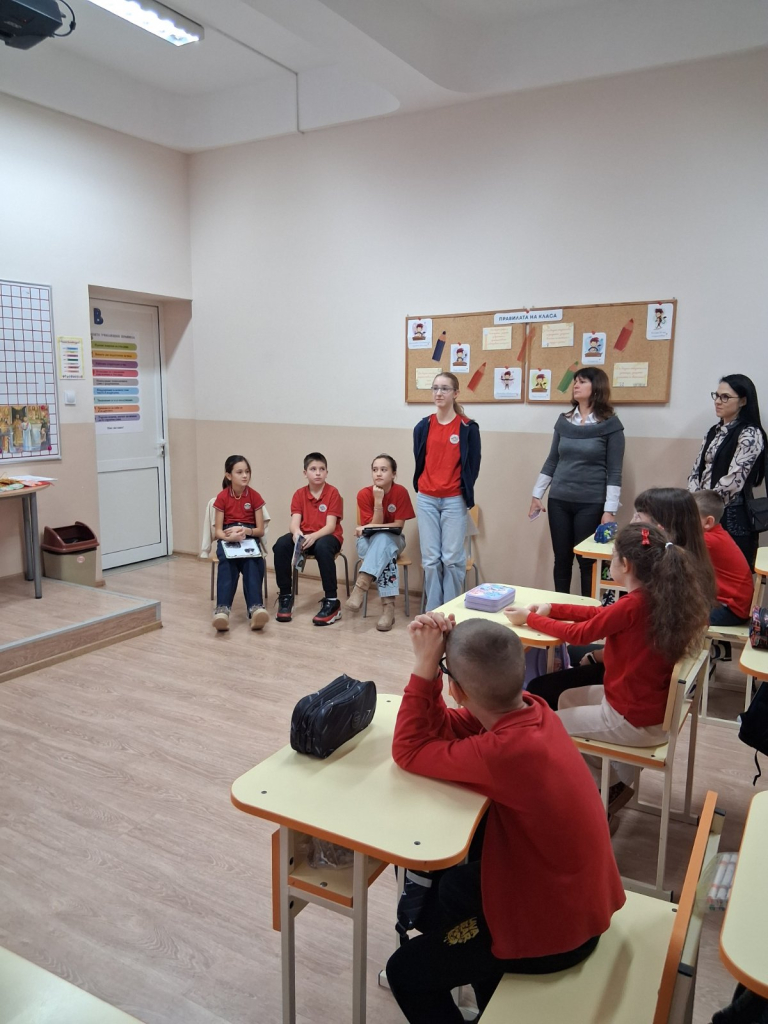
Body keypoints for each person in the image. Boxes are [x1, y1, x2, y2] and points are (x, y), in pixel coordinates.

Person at [385, 613, 625, 1022]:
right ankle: (489, 997)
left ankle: (493, 975)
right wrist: (441, 668)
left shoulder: (505, 752)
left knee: (405, 972)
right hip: (579, 899)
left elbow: (408, 750)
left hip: (561, 932)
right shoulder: (532, 708)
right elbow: (442, 730)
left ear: (457, 690)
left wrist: (425, 666)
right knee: (455, 889)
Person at [514, 523, 711, 816]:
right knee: (566, 699)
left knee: (547, 726)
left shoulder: (634, 605)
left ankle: (593, 794)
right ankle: (608, 785)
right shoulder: (655, 596)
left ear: (626, 564)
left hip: (632, 720)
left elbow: (580, 634)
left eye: (613, 557)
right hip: (645, 709)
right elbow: (600, 614)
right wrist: (552, 608)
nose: (610, 562)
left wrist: (530, 620)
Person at [529, 367, 625, 596]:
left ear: (596, 387)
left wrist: (609, 510)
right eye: (575, 381)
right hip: (559, 500)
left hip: (591, 503)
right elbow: (552, 460)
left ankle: (588, 611)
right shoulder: (564, 421)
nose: (576, 385)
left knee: (587, 561)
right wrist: (536, 495)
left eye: (582, 381)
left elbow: (614, 471)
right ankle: (559, 607)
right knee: (562, 559)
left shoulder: (611, 425)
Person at [413, 372, 481, 611]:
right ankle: (433, 612)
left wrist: (460, 489)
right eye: (435, 388)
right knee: (431, 560)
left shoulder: (467, 427)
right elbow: (420, 459)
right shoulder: (423, 426)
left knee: (452, 560)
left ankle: (450, 611)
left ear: (456, 393)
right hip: (427, 499)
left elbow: (473, 466)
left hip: (454, 500)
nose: (439, 393)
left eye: (444, 388)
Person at [688, 374, 767, 569]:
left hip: (732, 515)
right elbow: (697, 470)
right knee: (700, 571)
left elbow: (734, 480)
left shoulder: (750, 433)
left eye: (725, 397)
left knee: (727, 572)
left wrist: (705, 507)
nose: (717, 401)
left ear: (743, 401)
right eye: (716, 395)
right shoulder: (713, 431)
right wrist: (693, 502)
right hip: (702, 512)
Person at [272, 452, 344, 626]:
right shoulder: (299, 494)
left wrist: (313, 536)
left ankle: (332, 601)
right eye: (313, 469)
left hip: (327, 538)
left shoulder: (333, 493)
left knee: (322, 547)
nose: (318, 473)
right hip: (305, 538)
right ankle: (285, 596)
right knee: (281, 544)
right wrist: (297, 534)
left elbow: (330, 526)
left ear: (327, 472)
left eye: (322, 469)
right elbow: (294, 523)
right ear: (305, 473)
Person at [346, 453, 415, 631]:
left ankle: (360, 587)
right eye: (375, 469)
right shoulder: (364, 494)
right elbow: (373, 527)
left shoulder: (400, 492)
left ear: (393, 474)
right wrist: (378, 501)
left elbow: (398, 525)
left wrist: (370, 527)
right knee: (385, 552)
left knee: (383, 539)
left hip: (395, 540)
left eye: (384, 470)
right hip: (367, 542)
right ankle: (388, 611)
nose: (378, 473)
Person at [211, 455, 269, 632]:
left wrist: (246, 531)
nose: (245, 475)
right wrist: (229, 538)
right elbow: (218, 531)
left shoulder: (254, 496)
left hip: (249, 536)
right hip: (228, 537)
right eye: (240, 472)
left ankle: (255, 609)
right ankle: (222, 610)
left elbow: (260, 530)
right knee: (227, 563)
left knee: (252, 561)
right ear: (229, 475)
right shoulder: (222, 497)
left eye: (247, 472)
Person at [632, 487, 717, 604]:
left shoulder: (665, 571)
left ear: (660, 527)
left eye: (638, 517)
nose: (632, 523)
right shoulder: (695, 559)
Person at [693, 490, 754, 626]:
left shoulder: (708, 540)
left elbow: (672, 549)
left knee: (678, 619)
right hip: (731, 605)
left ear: (708, 522)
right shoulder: (717, 534)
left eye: (688, 518)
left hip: (730, 610)